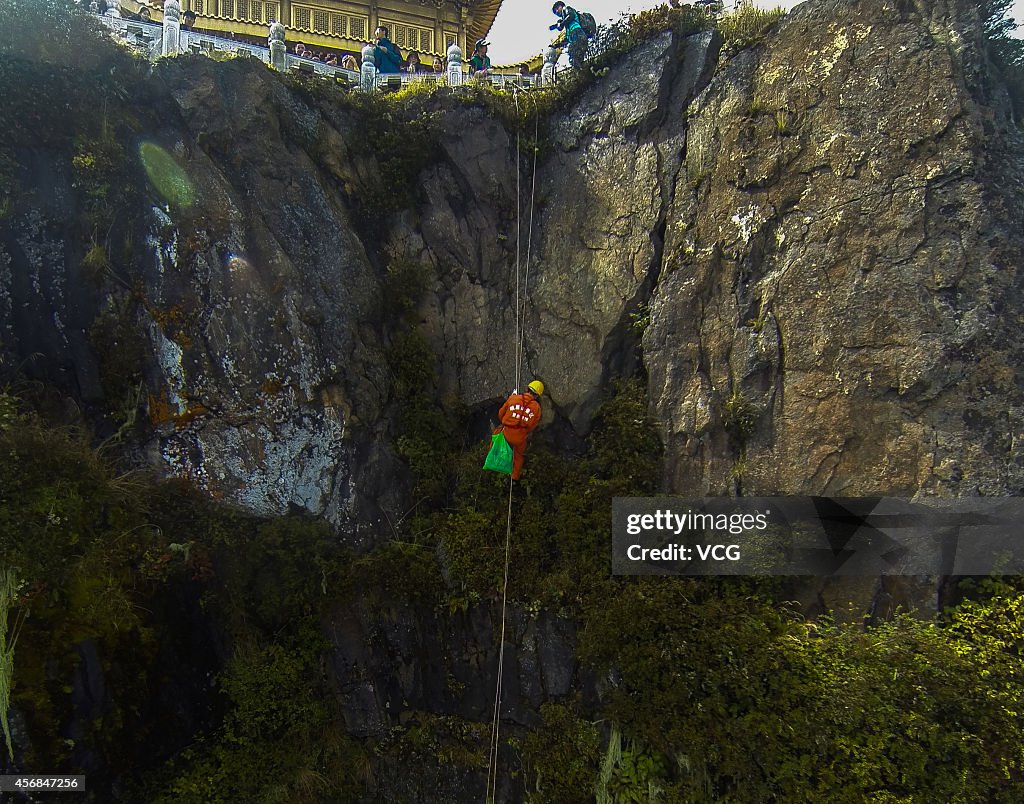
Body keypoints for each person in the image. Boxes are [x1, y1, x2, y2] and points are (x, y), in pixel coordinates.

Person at [495, 381, 544, 480]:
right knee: (519, 455)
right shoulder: (537, 408)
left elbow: (500, 414)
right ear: (537, 395)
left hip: (507, 433)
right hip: (520, 437)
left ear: (527, 389)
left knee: (496, 436)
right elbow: (532, 427)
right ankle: (514, 476)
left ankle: (495, 460)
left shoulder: (513, 398)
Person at [550, 2, 588, 67]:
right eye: (555, 12)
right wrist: (556, 45)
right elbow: (567, 39)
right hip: (575, 36)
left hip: (578, 33)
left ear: (560, 6)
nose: (556, 12)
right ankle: (582, 71)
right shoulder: (568, 27)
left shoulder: (567, 9)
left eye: (556, 9)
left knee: (575, 55)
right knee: (576, 59)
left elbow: (571, 15)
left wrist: (561, 23)